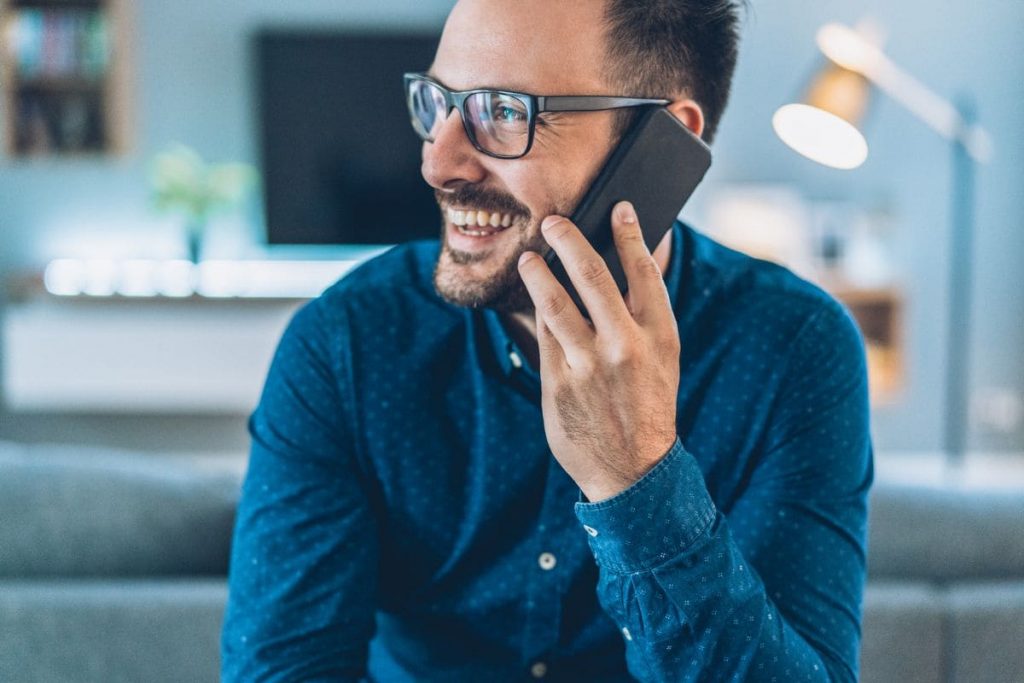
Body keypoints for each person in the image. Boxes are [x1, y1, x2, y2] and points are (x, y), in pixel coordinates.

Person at [222, 0, 873, 681]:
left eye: (503, 111)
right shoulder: (345, 345)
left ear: (662, 141)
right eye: (438, 103)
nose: (438, 162)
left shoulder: (793, 349)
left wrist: (638, 479)